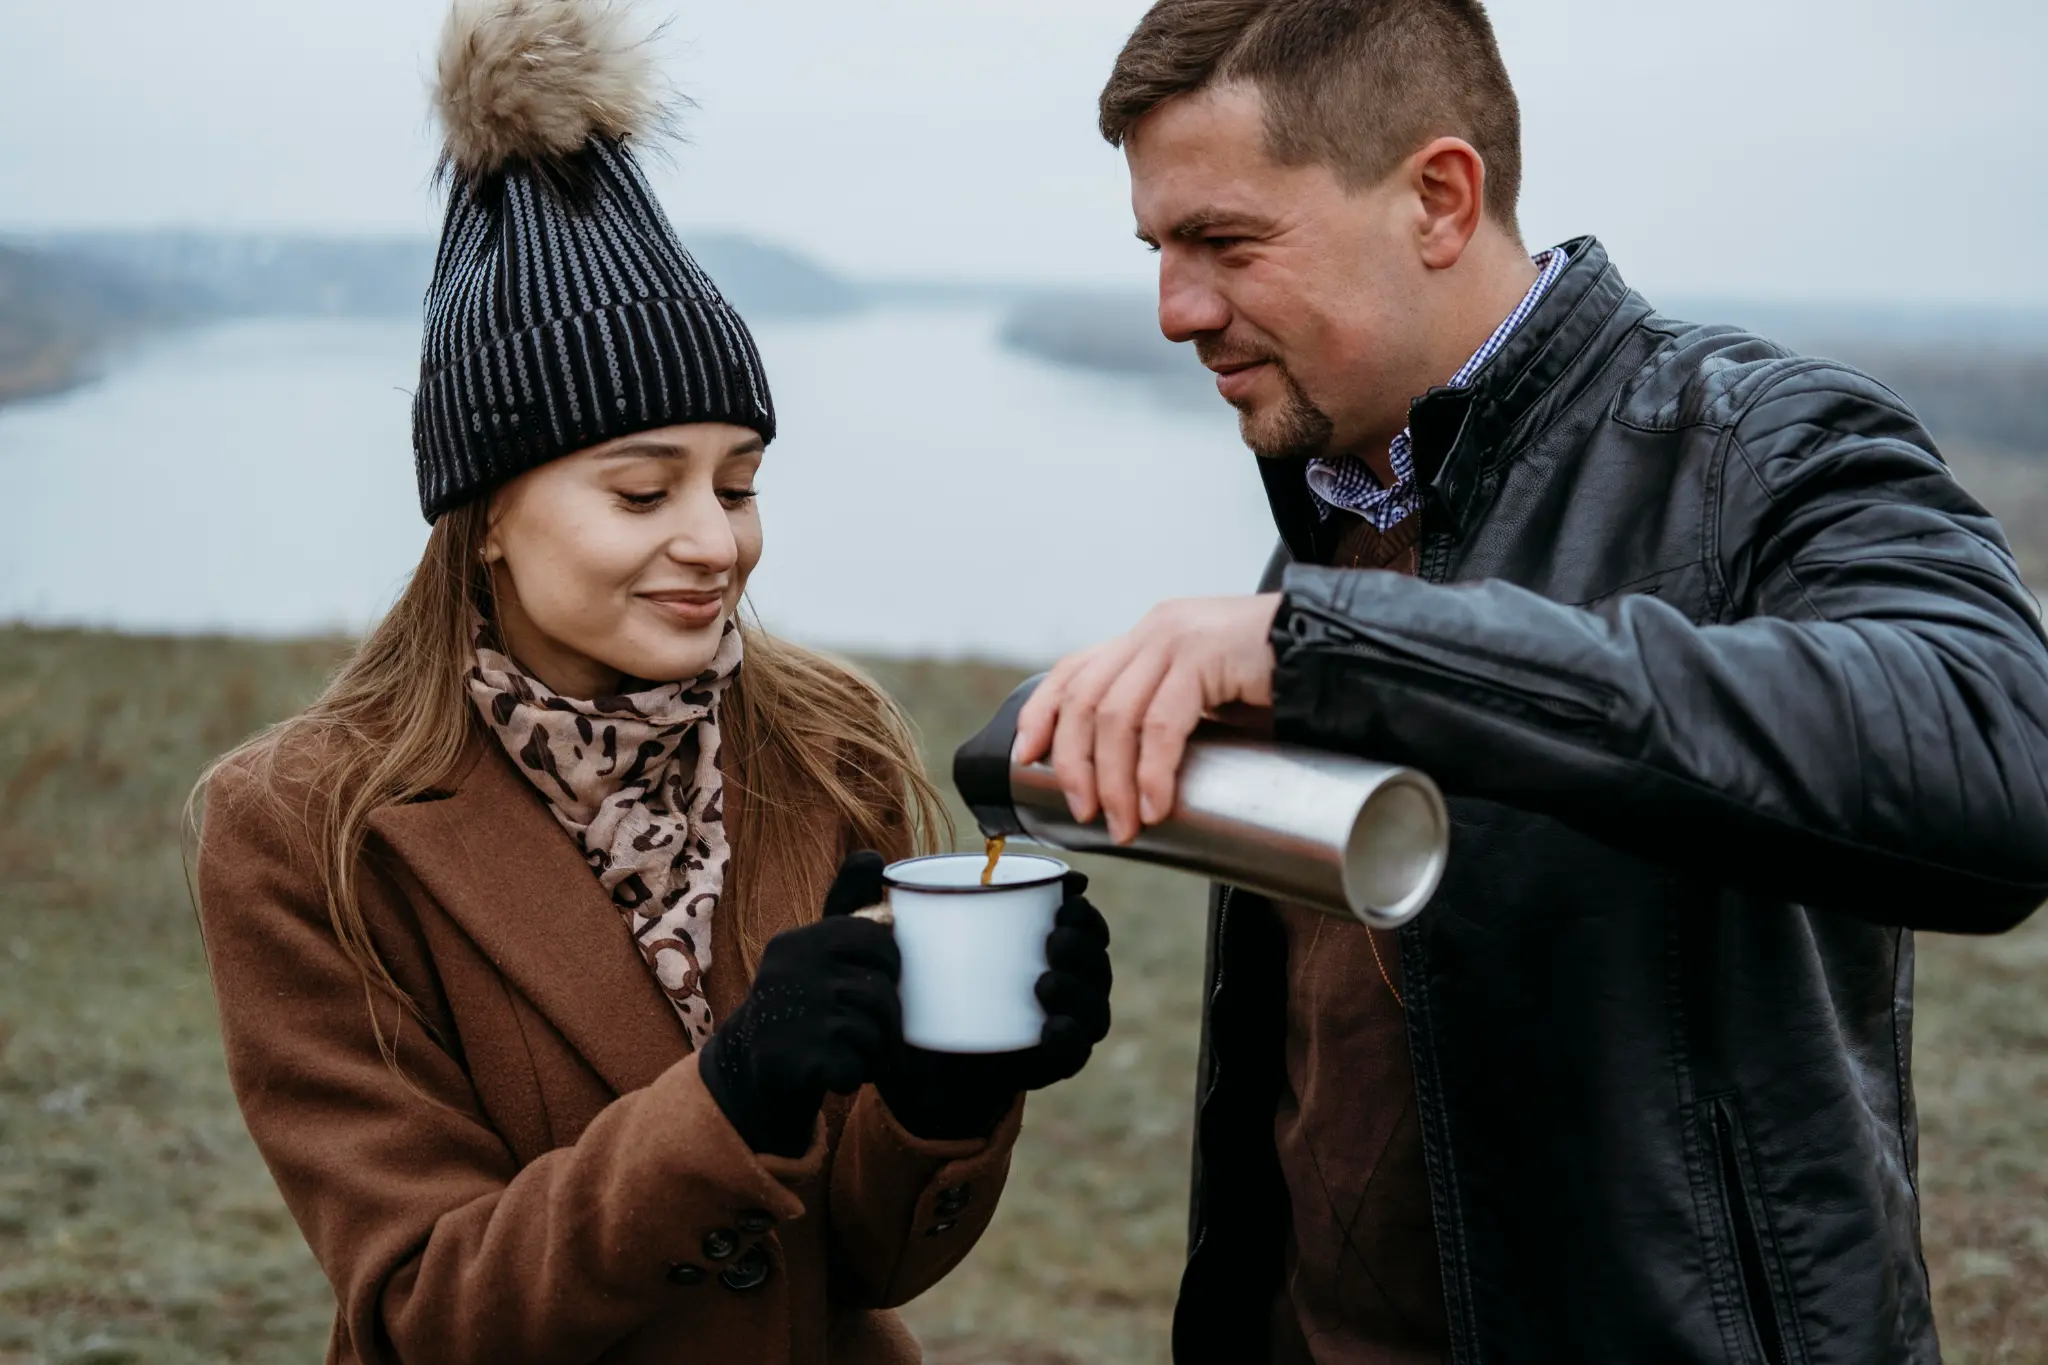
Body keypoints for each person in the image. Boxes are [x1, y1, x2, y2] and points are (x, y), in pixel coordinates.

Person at [1014, 2, 2048, 1362]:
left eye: (1226, 241)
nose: (1175, 310)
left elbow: (1999, 754)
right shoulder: (1335, 507)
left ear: (1441, 199)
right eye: (1159, 249)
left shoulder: (1754, 444)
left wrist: (1352, 650)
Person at [192, 4, 1113, 1363]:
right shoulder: (300, 827)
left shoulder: (829, 746)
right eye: (642, 490)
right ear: (486, 512)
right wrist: (730, 1097)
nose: (715, 541)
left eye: (741, 484)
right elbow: (430, 1310)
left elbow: (874, 1260)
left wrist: (944, 1090)